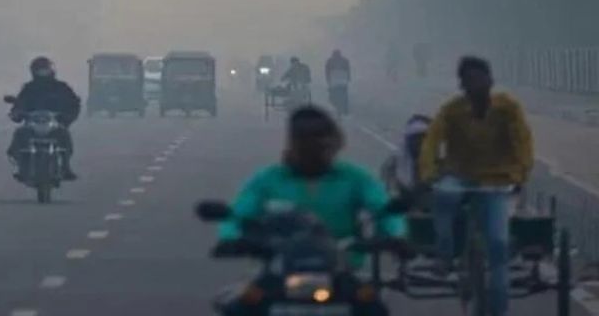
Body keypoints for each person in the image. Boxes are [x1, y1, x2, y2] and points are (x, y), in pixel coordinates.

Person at [418, 56, 534, 316]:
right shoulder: (451, 110)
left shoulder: (508, 108)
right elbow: (431, 141)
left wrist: (520, 173)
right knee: (442, 198)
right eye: (470, 80)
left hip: (497, 180)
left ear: (491, 80)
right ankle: (445, 253)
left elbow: (523, 142)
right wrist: (429, 173)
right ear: (462, 85)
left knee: (498, 245)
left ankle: (499, 310)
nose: (476, 85)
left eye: (480, 79)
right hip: (459, 177)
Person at [218, 105, 405, 252]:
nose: (314, 150)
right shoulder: (269, 179)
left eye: (321, 143)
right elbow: (239, 213)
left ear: (334, 144)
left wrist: (396, 237)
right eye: (306, 143)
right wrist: (230, 238)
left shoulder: (355, 178)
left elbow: (385, 210)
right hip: (279, 268)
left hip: (342, 268)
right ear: (293, 144)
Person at [6, 56, 82, 181]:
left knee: (64, 135)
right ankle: (21, 166)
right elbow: (19, 103)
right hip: (32, 124)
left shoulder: (61, 87)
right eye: (40, 70)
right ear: (33, 71)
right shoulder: (28, 88)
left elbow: (73, 103)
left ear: (51, 70)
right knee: (19, 134)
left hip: (54, 123)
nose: (42, 73)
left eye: (45, 69)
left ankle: (66, 167)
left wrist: (67, 116)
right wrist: (16, 113)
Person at [380, 114, 433, 208]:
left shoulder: (441, 164)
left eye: (425, 138)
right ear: (408, 139)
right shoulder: (393, 164)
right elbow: (387, 193)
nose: (420, 142)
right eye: (416, 138)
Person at [324, 49, 352, 114]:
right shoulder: (345, 60)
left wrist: (328, 79)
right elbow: (348, 70)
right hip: (341, 81)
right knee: (344, 96)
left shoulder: (330, 61)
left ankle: (339, 108)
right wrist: (348, 78)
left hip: (335, 81)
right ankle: (345, 110)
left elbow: (327, 71)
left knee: (334, 95)